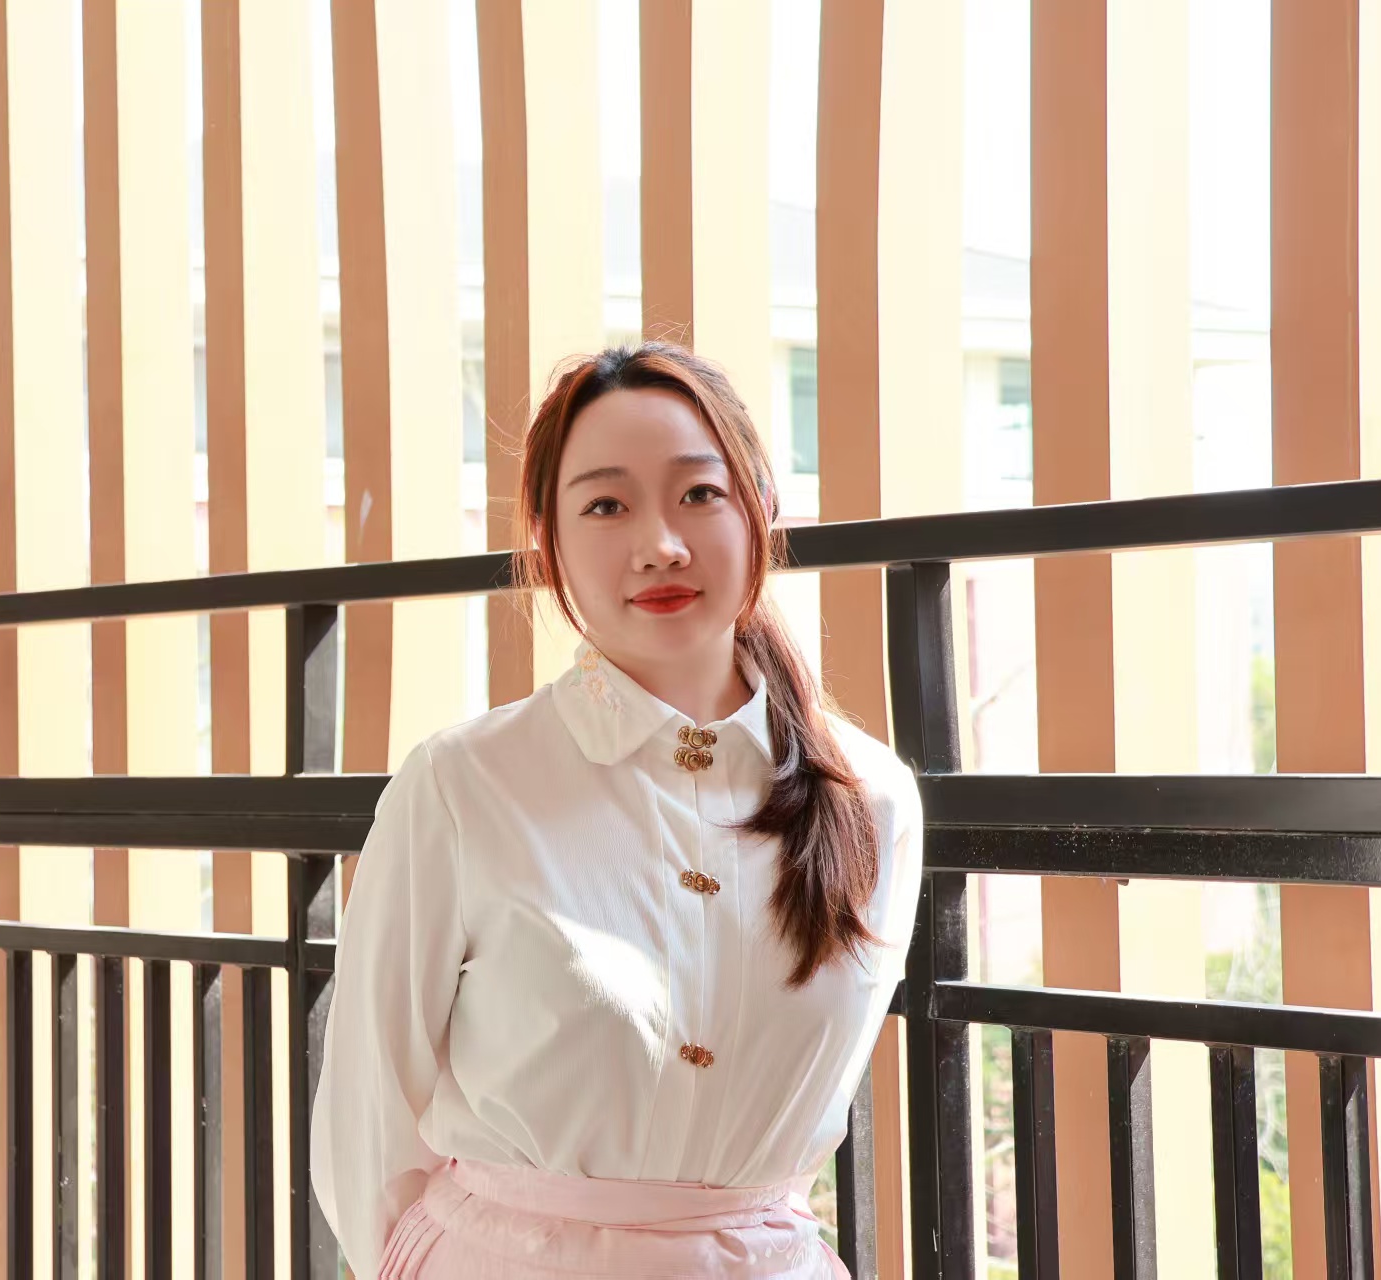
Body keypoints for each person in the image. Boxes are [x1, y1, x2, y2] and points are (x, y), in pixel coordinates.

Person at [310, 342, 923, 1278]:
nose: (660, 545)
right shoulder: (461, 786)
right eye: (606, 505)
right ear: (547, 541)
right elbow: (368, 1121)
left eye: (700, 494)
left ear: (761, 507)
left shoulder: (870, 799)